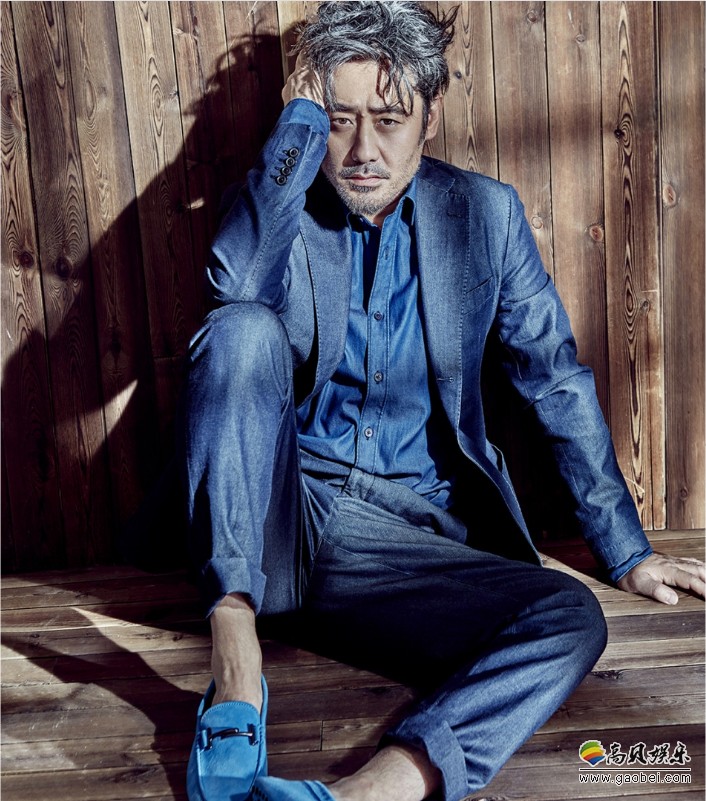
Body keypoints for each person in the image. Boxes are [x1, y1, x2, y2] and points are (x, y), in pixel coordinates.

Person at [178, 4, 705, 801]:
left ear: (431, 115)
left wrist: (626, 552)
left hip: (412, 550)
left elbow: (553, 378)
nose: (362, 151)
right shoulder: (280, 208)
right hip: (281, 526)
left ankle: (364, 795)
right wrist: (299, 126)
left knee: (570, 617)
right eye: (339, 120)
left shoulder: (485, 215)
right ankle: (236, 669)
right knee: (241, 330)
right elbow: (235, 292)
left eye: (388, 120)